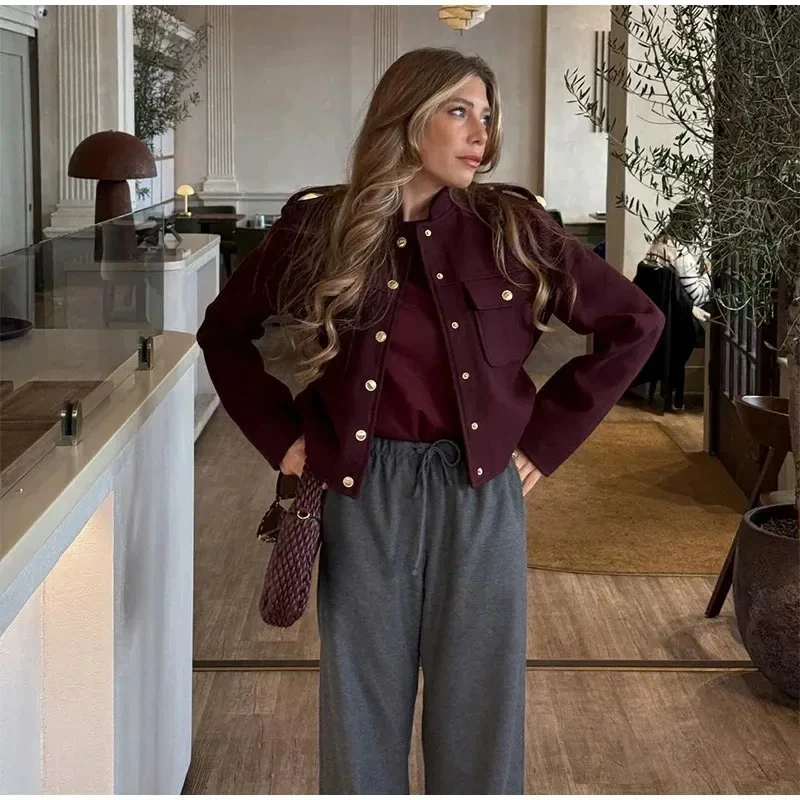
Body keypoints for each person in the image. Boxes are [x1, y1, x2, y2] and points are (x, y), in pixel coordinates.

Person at [196, 47, 664, 794]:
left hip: (480, 494)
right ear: (406, 118)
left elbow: (636, 322)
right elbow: (223, 333)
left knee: (480, 714)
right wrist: (283, 440)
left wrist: (544, 440)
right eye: (458, 111)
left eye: (487, 115)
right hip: (362, 493)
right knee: (360, 712)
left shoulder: (513, 227)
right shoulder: (319, 228)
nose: (482, 133)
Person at [644, 198, 713, 320]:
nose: (703, 232)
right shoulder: (679, 252)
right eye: (702, 226)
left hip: (657, 309)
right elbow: (697, 298)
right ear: (694, 225)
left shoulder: (660, 240)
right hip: (676, 317)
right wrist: (708, 274)